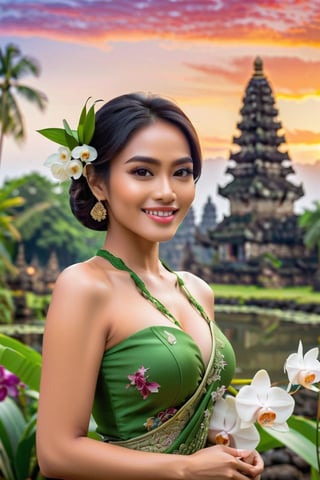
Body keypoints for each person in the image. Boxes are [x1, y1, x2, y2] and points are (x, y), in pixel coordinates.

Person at [36, 92, 264, 480]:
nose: (167, 191)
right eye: (142, 171)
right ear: (97, 181)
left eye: (181, 172)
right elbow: (57, 452)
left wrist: (228, 452)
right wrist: (185, 469)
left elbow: (191, 414)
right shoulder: (85, 287)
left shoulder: (197, 290)